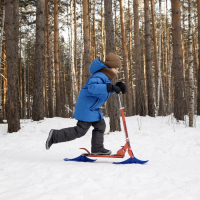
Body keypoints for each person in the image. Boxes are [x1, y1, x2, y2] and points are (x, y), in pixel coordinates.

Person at [45, 52, 126, 155]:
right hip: (86, 108)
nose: (117, 72)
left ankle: (97, 148)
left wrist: (116, 87)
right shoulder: (99, 76)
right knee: (80, 131)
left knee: (100, 126)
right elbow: (93, 88)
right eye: (116, 69)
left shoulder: (104, 77)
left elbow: (102, 90)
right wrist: (109, 87)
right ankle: (55, 135)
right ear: (110, 67)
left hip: (92, 109)